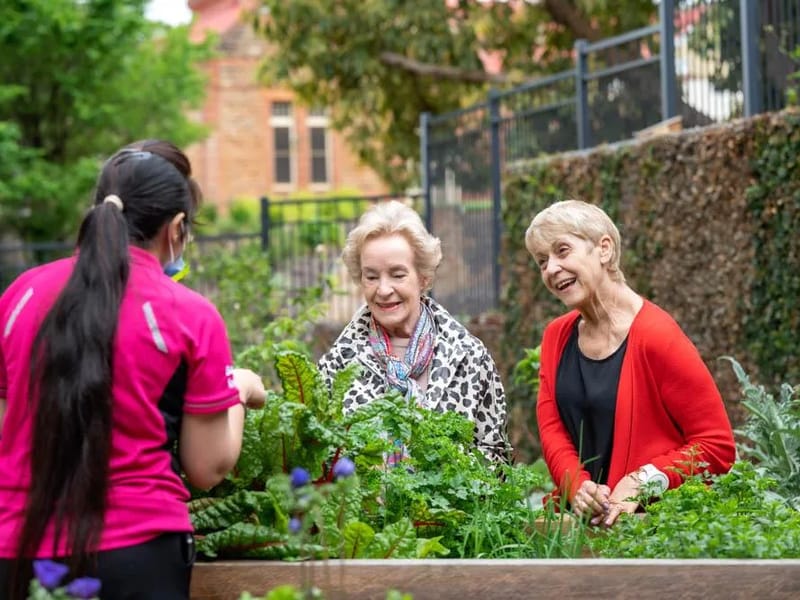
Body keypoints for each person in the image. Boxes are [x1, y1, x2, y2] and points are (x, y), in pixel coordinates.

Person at [0, 140, 266, 599]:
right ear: (177, 227)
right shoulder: (188, 313)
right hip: (138, 554)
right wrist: (238, 389)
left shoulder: (20, 295)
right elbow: (207, 466)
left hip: (17, 548)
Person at [525, 199, 735, 527]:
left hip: (651, 531)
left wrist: (642, 482)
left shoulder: (657, 335)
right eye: (542, 261)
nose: (551, 269)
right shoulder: (556, 337)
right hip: (577, 530)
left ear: (604, 249)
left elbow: (716, 446)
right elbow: (552, 430)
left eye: (562, 251)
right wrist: (579, 488)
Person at [318, 200, 510, 464]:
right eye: (371, 277)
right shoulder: (338, 364)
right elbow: (321, 459)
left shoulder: (468, 356)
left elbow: (496, 455)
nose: (383, 290)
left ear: (423, 278)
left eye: (397, 275)